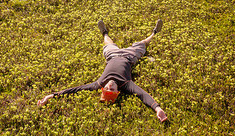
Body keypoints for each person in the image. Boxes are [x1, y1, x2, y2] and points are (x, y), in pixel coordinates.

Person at [37, 19, 168, 123]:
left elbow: (76, 90)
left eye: (106, 89)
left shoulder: (99, 83)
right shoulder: (126, 84)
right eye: (111, 90)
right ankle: (154, 32)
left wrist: (52, 95)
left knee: (108, 44)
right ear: (117, 92)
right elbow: (142, 94)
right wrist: (157, 108)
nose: (109, 86)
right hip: (129, 56)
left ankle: (105, 32)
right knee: (142, 44)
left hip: (112, 55)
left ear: (103, 88)